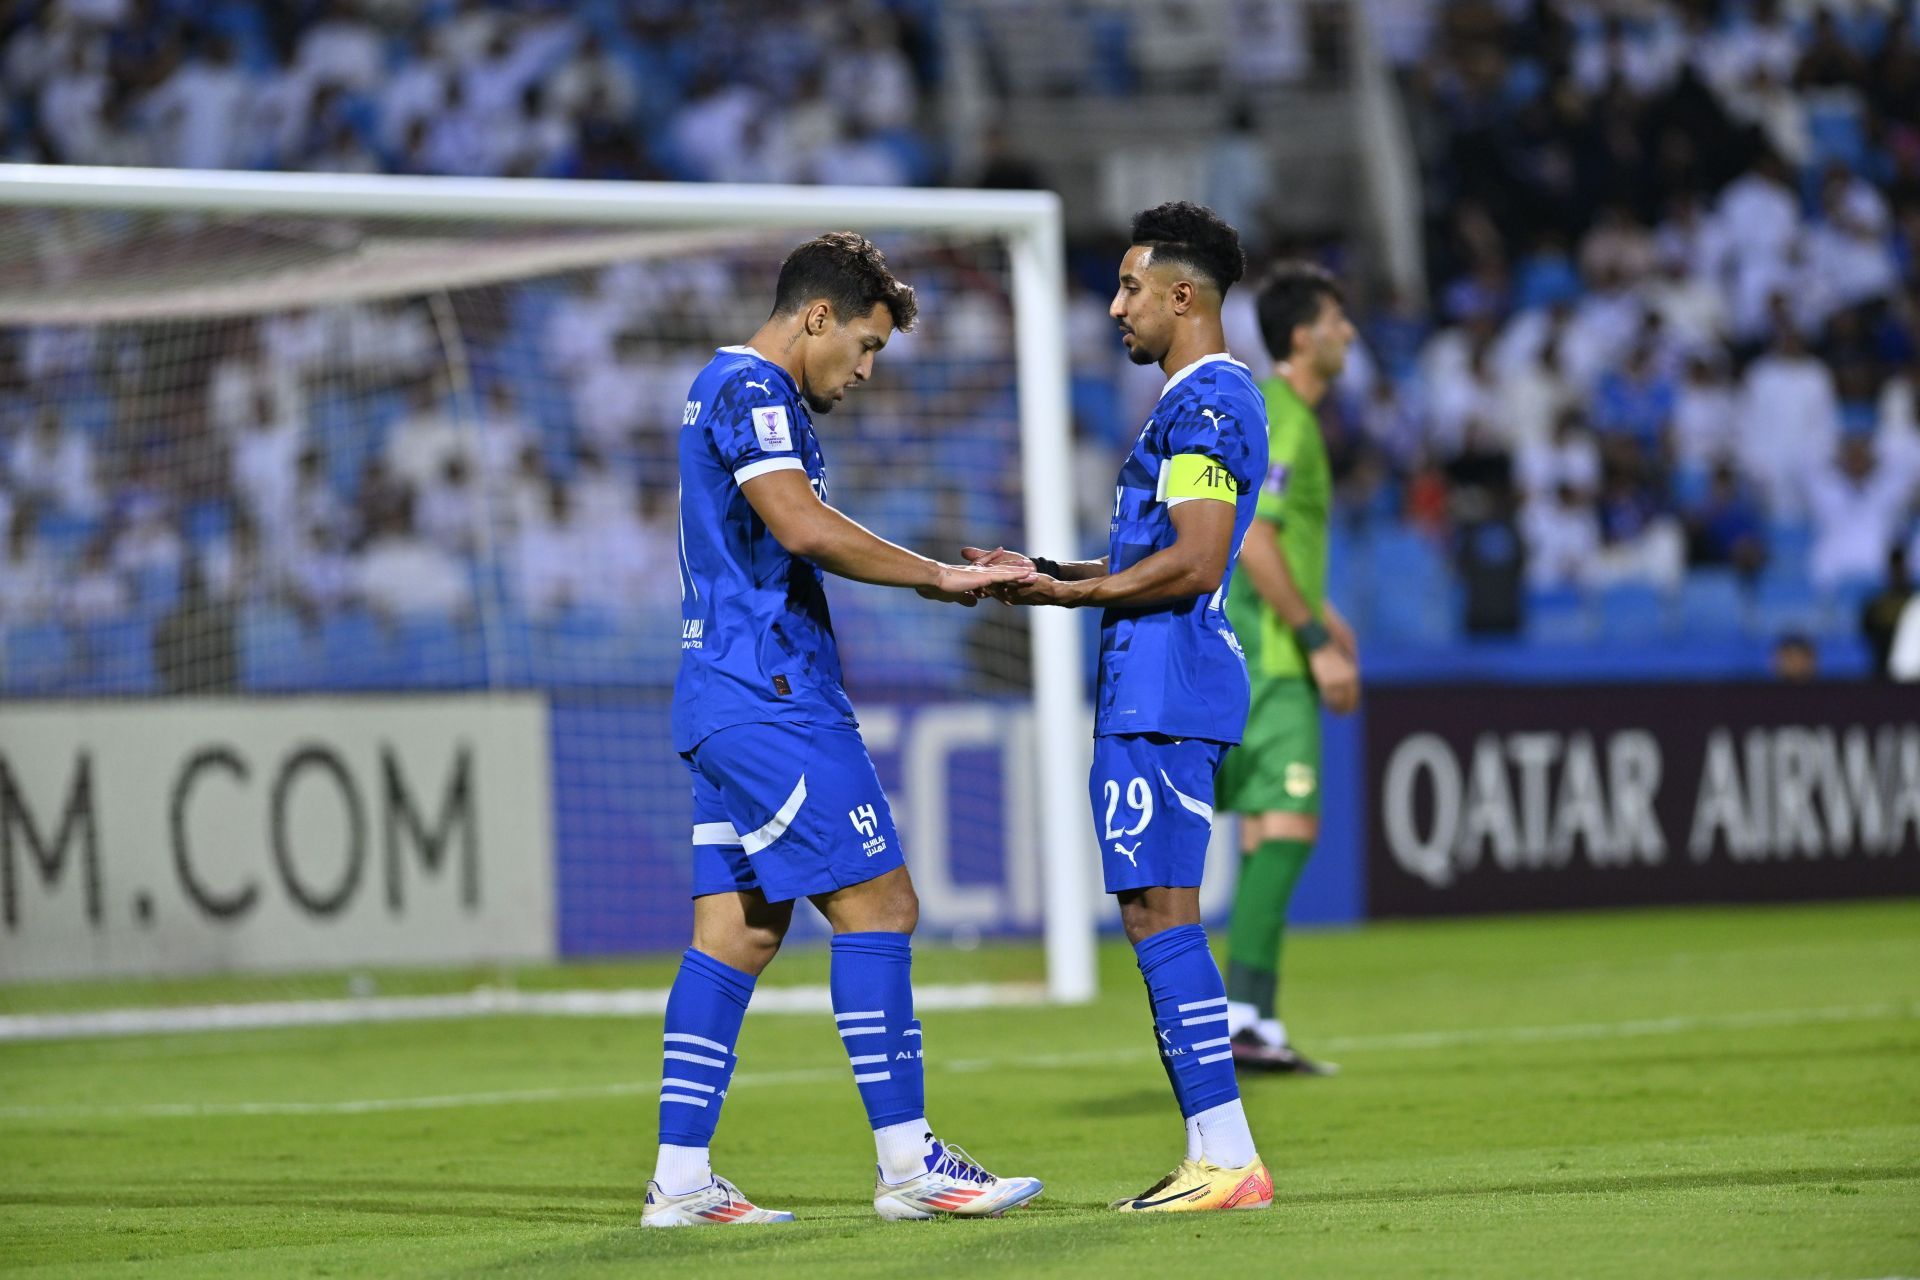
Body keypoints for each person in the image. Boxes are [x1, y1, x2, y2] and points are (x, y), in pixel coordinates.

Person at [646, 233, 1040, 1228]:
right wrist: (941, 573)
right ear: (816, 315)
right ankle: (910, 1164)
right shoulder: (753, 387)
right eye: (864, 346)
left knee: (737, 931)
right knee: (883, 905)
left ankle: (681, 1179)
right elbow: (804, 526)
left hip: (719, 692)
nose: (865, 372)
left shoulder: (720, 389)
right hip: (771, 697)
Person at [969, 202, 1274, 1213]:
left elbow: (1191, 561)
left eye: (1131, 287)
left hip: (1165, 689)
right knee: (1155, 914)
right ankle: (1211, 1151)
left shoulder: (1213, 403)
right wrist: (1051, 570)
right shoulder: (1193, 404)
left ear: (1182, 295)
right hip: (1154, 685)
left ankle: (1227, 1155)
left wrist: (1070, 596)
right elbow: (1161, 554)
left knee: (1160, 916)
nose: (1116, 307)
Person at [1212, 263, 1358, 1076]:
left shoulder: (1268, 413)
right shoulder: (1289, 417)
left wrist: (1329, 617)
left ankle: (1255, 1020)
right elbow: (1257, 539)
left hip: (1250, 647)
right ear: (1302, 336)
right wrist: (1314, 641)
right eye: (1338, 320)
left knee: (1267, 828)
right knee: (1290, 828)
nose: (1350, 334)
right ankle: (1241, 1018)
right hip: (1271, 657)